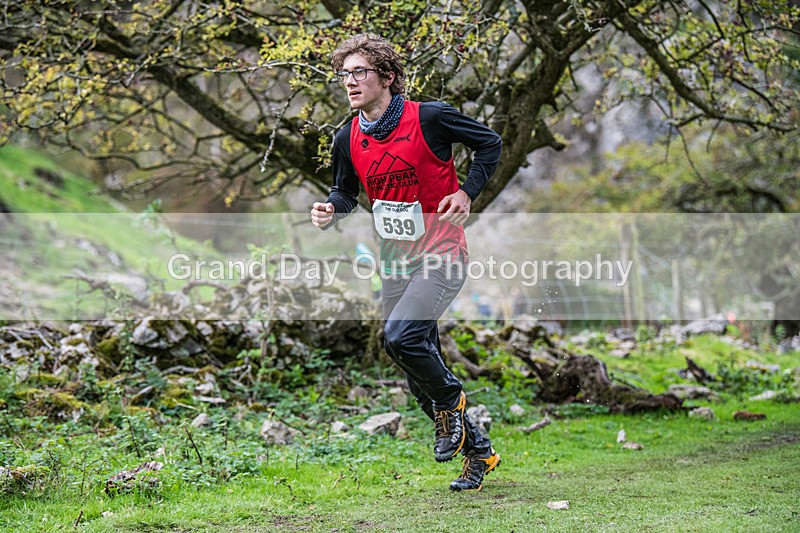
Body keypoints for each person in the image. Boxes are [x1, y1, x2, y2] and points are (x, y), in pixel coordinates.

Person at [310, 33, 502, 492]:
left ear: (387, 77)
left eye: (360, 72)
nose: (350, 82)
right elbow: (345, 191)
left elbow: (490, 144)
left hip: (442, 253)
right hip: (395, 262)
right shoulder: (346, 137)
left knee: (401, 336)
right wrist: (331, 209)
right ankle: (479, 452)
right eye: (344, 74)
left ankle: (452, 400)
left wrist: (466, 193)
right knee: (414, 368)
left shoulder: (430, 117)